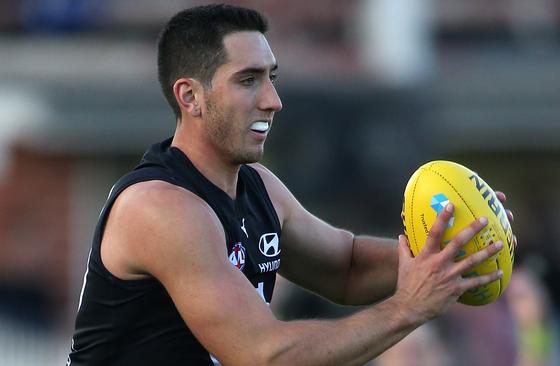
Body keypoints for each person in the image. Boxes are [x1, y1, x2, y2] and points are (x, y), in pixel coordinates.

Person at [66, 4, 511, 365]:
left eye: (271, 78)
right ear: (190, 97)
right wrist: (407, 308)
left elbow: (346, 267)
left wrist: (444, 252)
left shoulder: (257, 186)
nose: (272, 100)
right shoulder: (160, 207)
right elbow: (264, 355)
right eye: (248, 80)